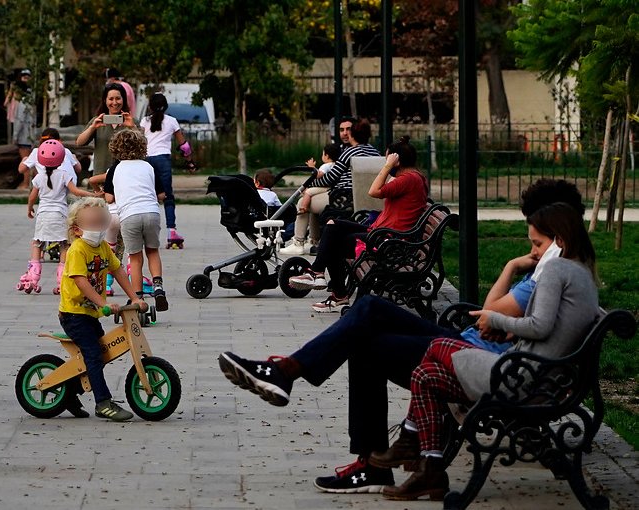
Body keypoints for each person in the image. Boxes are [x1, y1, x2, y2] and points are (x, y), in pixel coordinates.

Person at [218, 178, 586, 494]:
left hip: (472, 352)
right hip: (473, 345)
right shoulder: (557, 272)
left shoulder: (553, 274)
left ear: (558, 233)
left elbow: (493, 314)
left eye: (537, 240)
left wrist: (511, 275)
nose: (532, 249)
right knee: (368, 312)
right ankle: (291, 376)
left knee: (366, 327)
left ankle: (290, 376)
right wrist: (518, 269)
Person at [375, 201, 600, 501]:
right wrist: (508, 328)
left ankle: (410, 439)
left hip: (522, 378)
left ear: (559, 239)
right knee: (426, 375)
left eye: (537, 243)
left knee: (436, 346)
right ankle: (429, 468)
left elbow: (540, 326)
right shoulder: (582, 272)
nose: (533, 252)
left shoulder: (557, 268)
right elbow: (550, 327)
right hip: (541, 377)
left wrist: (494, 319)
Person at [290, 136, 429, 312]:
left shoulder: (409, 179)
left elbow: (373, 191)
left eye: (387, 159)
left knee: (335, 243)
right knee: (333, 224)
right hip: (381, 232)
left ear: (397, 161)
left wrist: (387, 167)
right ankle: (316, 273)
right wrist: (389, 166)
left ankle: (335, 292)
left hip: (389, 240)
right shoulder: (411, 178)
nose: (385, 163)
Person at [59, 197, 144, 421]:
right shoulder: (77, 250)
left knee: (99, 354)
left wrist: (134, 297)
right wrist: (103, 303)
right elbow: (81, 281)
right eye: (93, 224)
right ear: (77, 230)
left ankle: (69, 392)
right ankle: (103, 403)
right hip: (74, 315)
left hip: (90, 315)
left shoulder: (104, 247)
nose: (98, 228)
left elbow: (118, 272)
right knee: (94, 355)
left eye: (101, 223)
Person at [280, 118, 380, 256]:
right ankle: (313, 241)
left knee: (302, 202)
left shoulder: (349, 152)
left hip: (344, 198)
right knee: (313, 199)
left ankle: (298, 242)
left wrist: (308, 185)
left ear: (352, 135)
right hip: (366, 199)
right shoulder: (375, 152)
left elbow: (329, 178)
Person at [17, 139, 99, 295]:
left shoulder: (39, 177)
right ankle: (62, 280)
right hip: (61, 214)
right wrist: (91, 194)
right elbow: (75, 191)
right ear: (62, 158)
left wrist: (29, 209)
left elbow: (32, 197)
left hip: (43, 215)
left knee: (37, 243)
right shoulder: (64, 174)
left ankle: (33, 277)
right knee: (64, 245)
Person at [102, 129, 168, 311]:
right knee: (153, 251)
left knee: (135, 258)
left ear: (115, 148)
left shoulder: (115, 169)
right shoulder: (149, 167)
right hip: (151, 213)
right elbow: (161, 194)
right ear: (142, 147)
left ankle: (137, 298)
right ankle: (158, 287)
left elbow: (108, 198)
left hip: (130, 215)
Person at [140, 92, 197, 247]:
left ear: (150, 106)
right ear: (165, 106)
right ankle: (172, 231)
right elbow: (184, 146)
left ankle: (145, 232)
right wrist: (190, 162)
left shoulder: (144, 121)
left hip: (147, 160)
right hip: (163, 160)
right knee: (167, 197)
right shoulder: (172, 121)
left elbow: (139, 141)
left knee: (148, 196)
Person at [76, 83, 134, 177]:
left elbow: (143, 145)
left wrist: (132, 127)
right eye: (111, 99)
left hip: (126, 176)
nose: (114, 103)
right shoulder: (97, 120)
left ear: (123, 100)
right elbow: (79, 142)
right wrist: (92, 128)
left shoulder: (132, 121)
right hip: (101, 175)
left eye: (118, 98)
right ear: (105, 100)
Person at [294, 142, 343, 246]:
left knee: (307, 193)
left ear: (326, 156)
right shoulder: (336, 165)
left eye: (323, 154)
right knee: (310, 195)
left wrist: (312, 168)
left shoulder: (326, 165)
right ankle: (313, 239)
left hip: (324, 188)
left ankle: (303, 207)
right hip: (330, 189)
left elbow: (319, 175)